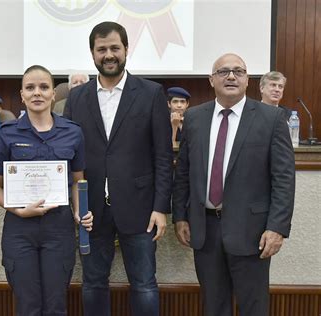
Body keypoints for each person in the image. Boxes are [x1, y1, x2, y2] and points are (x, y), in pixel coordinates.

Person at [63, 21, 173, 316]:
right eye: (102, 49)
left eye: (114, 48)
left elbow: (163, 155)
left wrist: (161, 207)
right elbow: (69, 158)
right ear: (92, 53)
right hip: (91, 210)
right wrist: (76, 204)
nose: (108, 54)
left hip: (140, 208)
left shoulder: (151, 93)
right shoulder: (75, 98)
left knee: (145, 285)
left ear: (126, 49)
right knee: (93, 283)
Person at [172, 53, 295, 316]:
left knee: (253, 307)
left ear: (247, 80)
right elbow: (183, 172)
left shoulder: (271, 119)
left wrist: (277, 228)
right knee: (213, 306)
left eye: (238, 71)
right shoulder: (194, 118)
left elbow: (284, 178)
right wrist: (180, 217)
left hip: (252, 232)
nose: (231, 76)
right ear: (211, 80)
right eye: (223, 71)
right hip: (205, 229)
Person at [0, 65, 93, 316]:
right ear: (21, 94)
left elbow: (78, 181)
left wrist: (80, 212)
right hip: (19, 230)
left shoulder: (73, 132)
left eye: (44, 87)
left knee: (56, 305)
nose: (37, 93)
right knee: (28, 306)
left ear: (54, 94)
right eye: (30, 88)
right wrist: (20, 211)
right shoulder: (6, 134)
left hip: (59, 229)